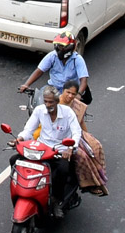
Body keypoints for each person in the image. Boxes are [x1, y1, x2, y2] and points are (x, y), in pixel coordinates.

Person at [16, 85, 81, 218]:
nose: (48, 104)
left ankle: (56, 200)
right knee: (15, 161)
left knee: (62, 170)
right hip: (41, 149)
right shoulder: (39, 110)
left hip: (59, 150)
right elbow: (29, 129)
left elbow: (76, 132)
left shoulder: (68, 113)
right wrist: (20, 138)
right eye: (46, 101)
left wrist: (70, 148)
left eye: (51, 102)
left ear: (57, 101)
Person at [59, 79, 108, 196]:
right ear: (62, 91)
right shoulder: (55, 104)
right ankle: (88, 184)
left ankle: (97, 181)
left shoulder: (77, 106)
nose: (70, 96)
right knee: (82, 156)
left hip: (75, 135)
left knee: (96, 146)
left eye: (73, 94)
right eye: (68, 93)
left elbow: (80, 124)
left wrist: (87, 137)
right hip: (59, 137)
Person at [18, 32, 90, 99]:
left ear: (70, 47)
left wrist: (79, 94)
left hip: (70, 91)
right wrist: (26, 84)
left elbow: (83, 80)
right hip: (53, 88)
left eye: (62, 46)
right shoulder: (52, 56)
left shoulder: (77, 59)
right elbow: (39, 71)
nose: (59, 48)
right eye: (58, 46)